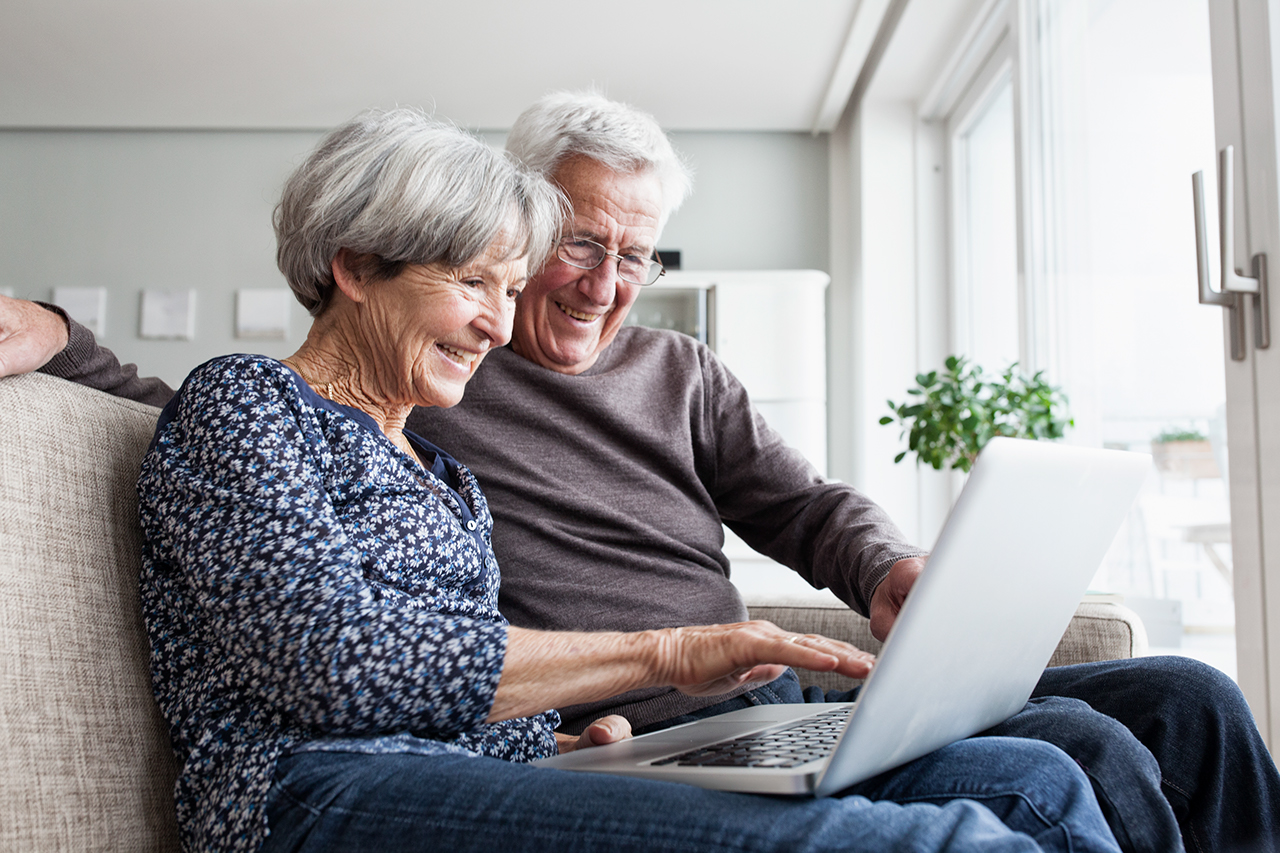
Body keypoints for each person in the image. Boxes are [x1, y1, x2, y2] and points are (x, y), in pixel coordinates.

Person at [0, 92, 1274, 850]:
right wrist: (673, 655)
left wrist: (554, 743)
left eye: (511, 285)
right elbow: (331, 652)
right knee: (977, 817)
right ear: (354, 262)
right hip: (306, 797)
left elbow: (793, 508)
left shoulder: (442, 467)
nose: (505, 320)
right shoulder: (256, 406)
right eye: (482, 280)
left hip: (496, 758)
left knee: (1130, 721)